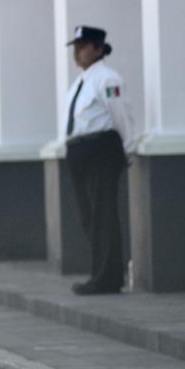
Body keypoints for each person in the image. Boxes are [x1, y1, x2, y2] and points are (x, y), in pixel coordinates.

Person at [63, 26, 135, 296]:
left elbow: (120, 113)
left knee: (103, 214)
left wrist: (129, 147)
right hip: (81, 151)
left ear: (98, 48)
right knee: (90, 216)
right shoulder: (81, 81)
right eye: (75, 47)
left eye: (82, 46)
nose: (77, 52)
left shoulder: (107, 78)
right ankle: (99, 273)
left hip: (100, 149)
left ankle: (107, 277)